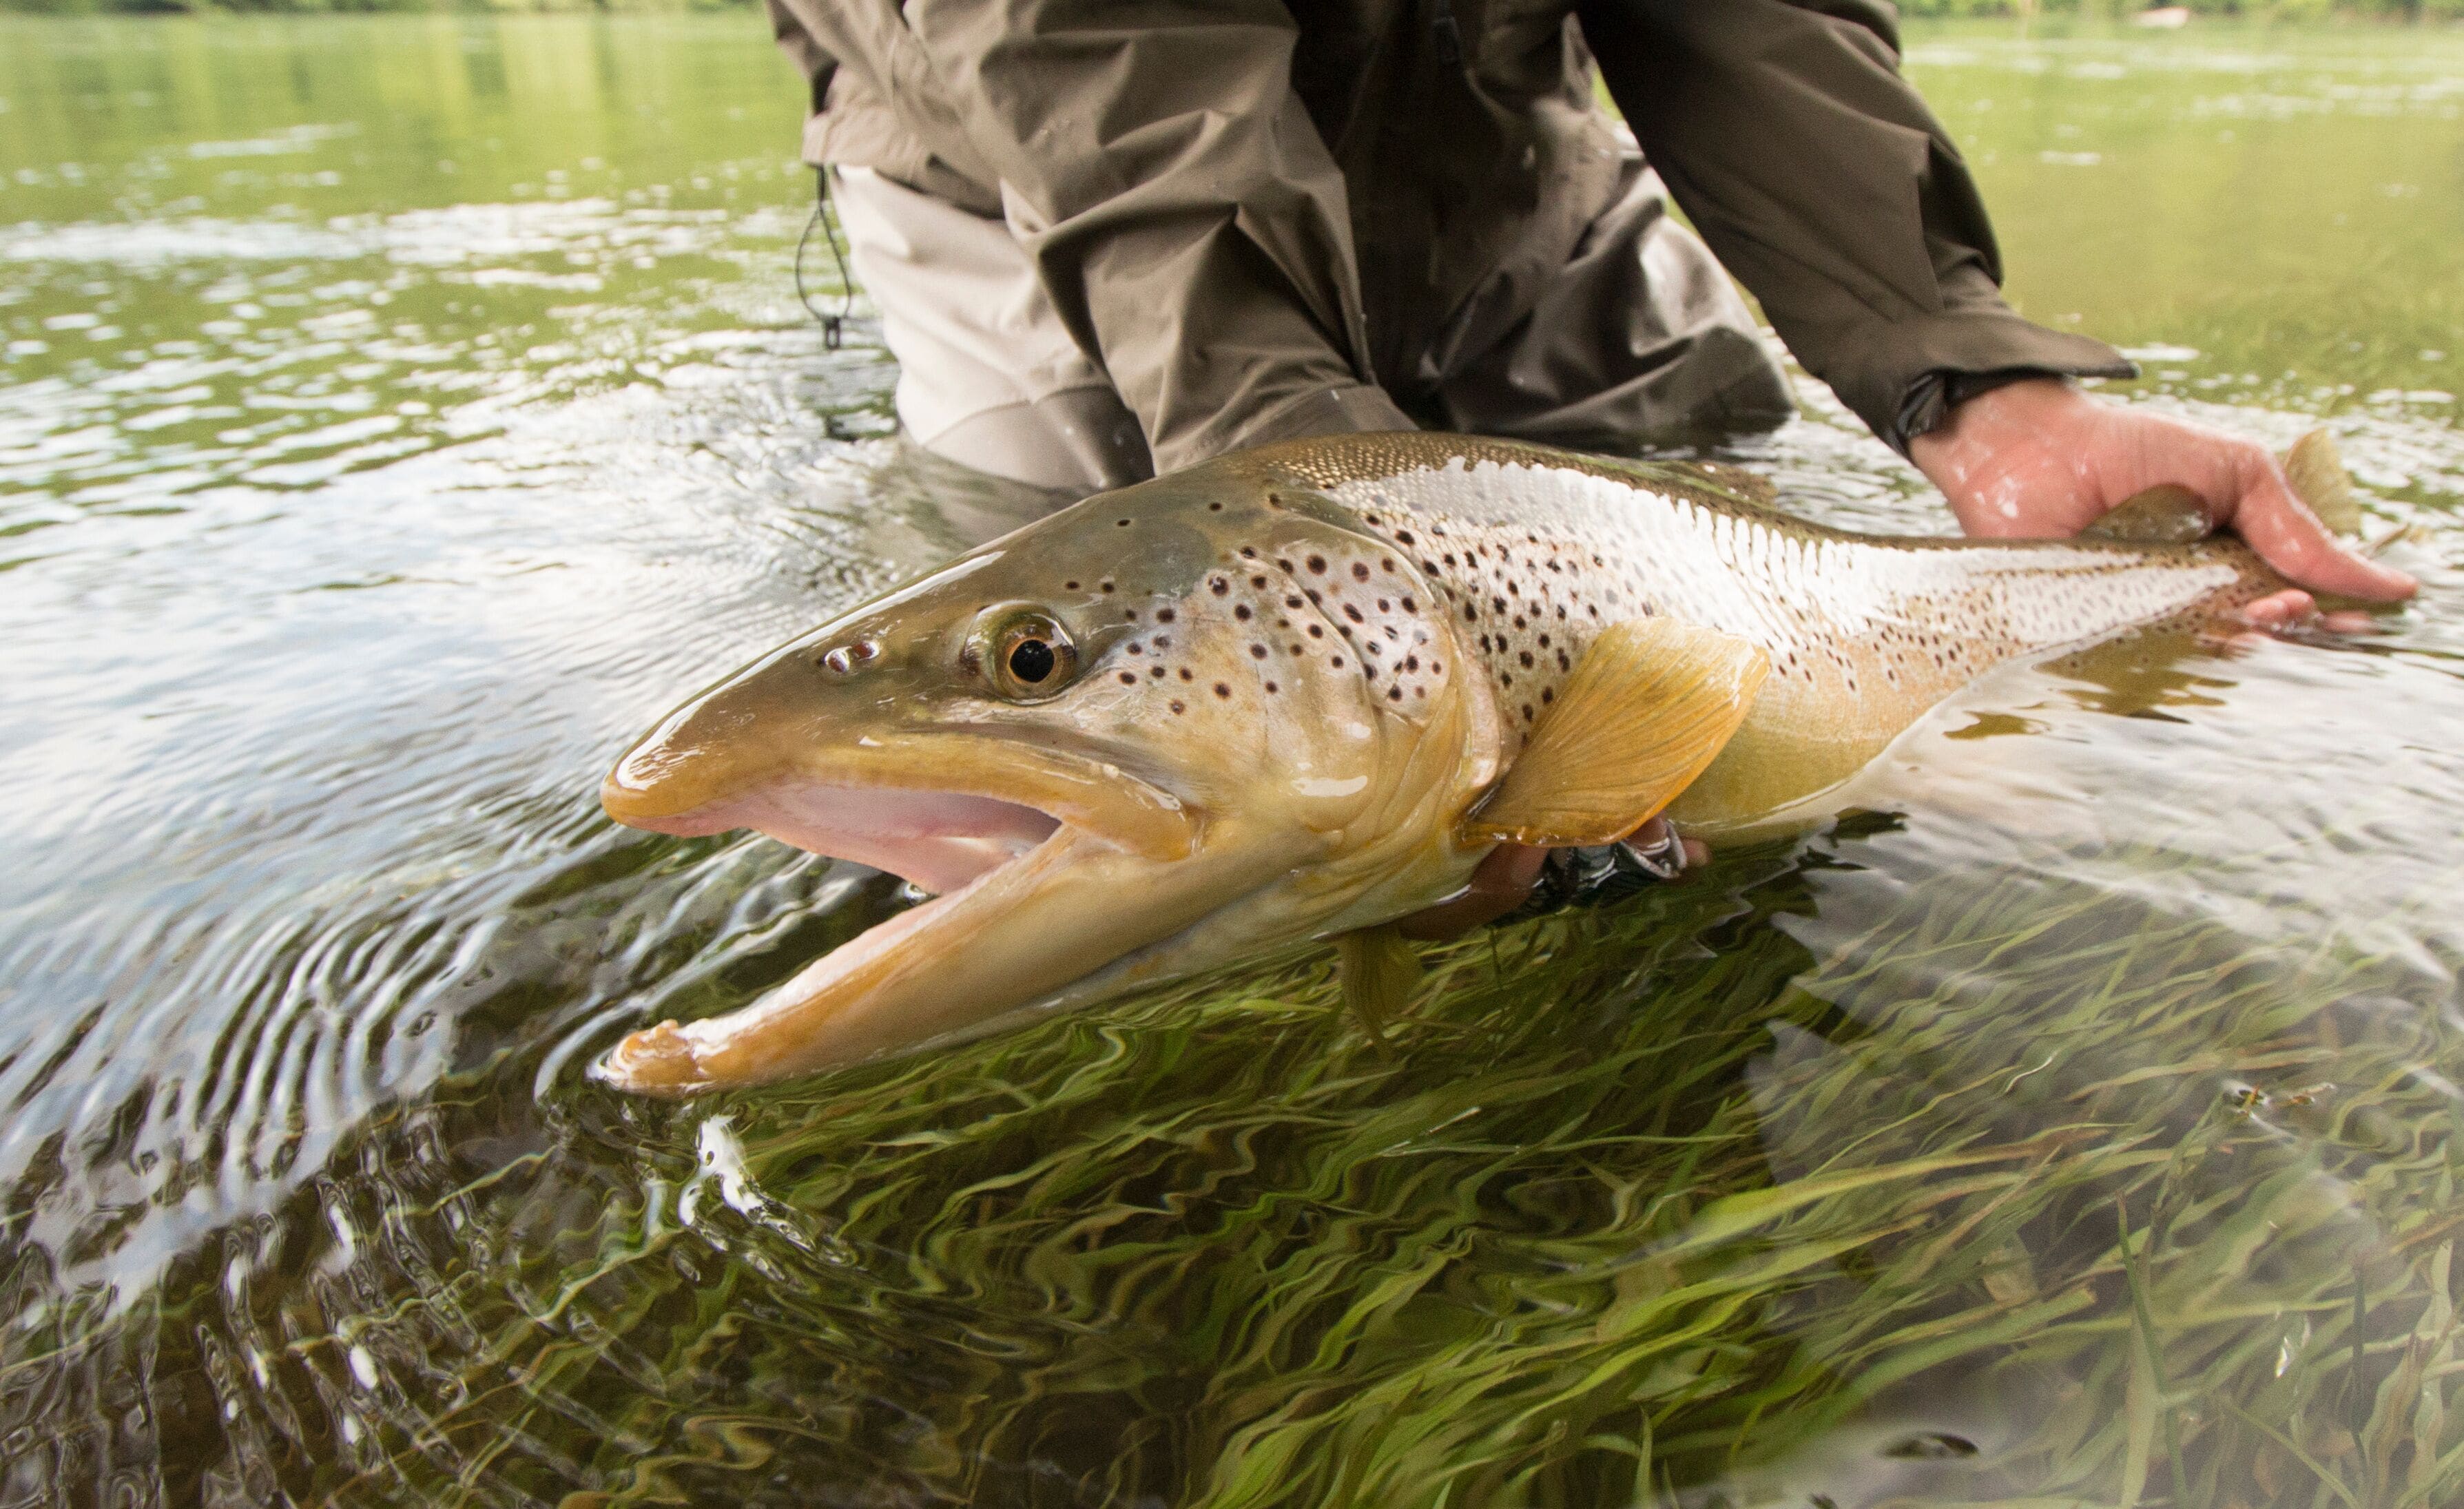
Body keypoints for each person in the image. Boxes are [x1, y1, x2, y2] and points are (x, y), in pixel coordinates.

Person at [764, 0, 2414, 627]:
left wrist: (1975, 388)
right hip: (1025, 144)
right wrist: (1341, 532)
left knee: (1707, 448)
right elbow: (1107, 84)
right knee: (1122, 596)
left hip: (1474, 96)